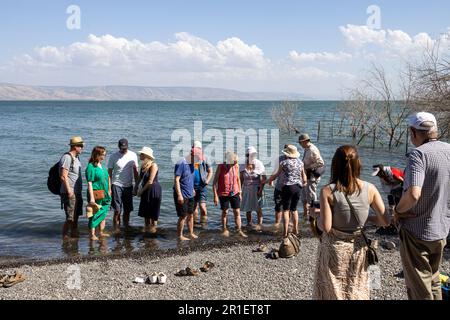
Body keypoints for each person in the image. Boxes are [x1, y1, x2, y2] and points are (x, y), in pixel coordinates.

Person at [313, 145, 387, 300]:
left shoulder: (327, 191)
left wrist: (316, 216)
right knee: (356, 287)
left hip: (335, 248)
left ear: (335, 165)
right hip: (358, 247)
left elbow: (326, 227)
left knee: (333, 290)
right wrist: (367, 219)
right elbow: (385, 220)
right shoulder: (370, 188)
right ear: (357, 164)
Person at [393, 112, 450, 300]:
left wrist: (398, 211)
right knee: (433, 280)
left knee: (418, 288)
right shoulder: (449, 150)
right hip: (441, 229)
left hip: (417, 231)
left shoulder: (418, 155)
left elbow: (413, 193)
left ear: (413, 132)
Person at [266, 145, 307, 238]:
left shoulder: (284, 162)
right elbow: (304, 177)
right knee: (294, 209)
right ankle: (295, 230)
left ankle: (285, 233)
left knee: (285, 210)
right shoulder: (300, 162)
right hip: (298, 187)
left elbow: (276, 174)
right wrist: (304, 183)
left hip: (287, 187)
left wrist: (267, 180)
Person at [213, 151, 247, 238]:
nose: (236, 162)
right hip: (223, 193)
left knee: (237, 211)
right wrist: (215, 196)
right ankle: (224, 229)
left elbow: (238, 179)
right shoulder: (221, 167)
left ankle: (239, 230)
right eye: (234, 161)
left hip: (235, 192)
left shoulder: (236, 166)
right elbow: (214, 182)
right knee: (225, 212)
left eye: (236, 161)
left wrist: (240, 192)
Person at [108, 138, 139, 229]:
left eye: (125, 148)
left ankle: (126, 228)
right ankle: (116, 229)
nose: (124, 149)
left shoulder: (133, 155)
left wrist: (136, 186)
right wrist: (109, 187)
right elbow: (109, 173)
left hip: (128, 186)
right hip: (116, 185)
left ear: (127, 146)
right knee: (117, 210)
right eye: (122, 148)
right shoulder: (113, 156)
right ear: (119, 147)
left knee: (127, 210)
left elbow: (135, 171)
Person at [60, 136, 84, 240]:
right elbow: (63, 176)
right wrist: (69, 190)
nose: (82, 148)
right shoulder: (67, 157)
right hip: (69, 192)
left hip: (77, 191)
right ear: (75, 147)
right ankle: (65, 237)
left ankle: (74, 236)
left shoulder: (77, 158)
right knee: (70, 217)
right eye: (81, 146)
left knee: (76, 215)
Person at [86, 146, 112, 241]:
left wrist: (109, 190)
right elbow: (89, 183)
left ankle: (101, 232)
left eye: (105, 154)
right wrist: (92, 198)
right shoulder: (91, 167)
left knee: (103, 212)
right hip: (96, 193)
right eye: (102, 154)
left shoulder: (101, 165)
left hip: (105, 193)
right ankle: (92, 234)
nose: (104, 156)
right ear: (97, 154)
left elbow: (107, 177)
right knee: (94, 212)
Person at [371, 164, 405, 235]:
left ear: (381, 171)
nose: (378, 176)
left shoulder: (393, 173)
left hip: (400, 188)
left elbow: (403, 182)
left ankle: (399, 222)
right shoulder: (383, 175)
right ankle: (392, 220)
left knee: (398, 206)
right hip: (392, 188)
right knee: (391, 206)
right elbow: (386, 188)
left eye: (378, 174)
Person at [298, 134, 325, 221]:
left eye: (300, 143)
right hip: (306, 176)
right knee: (304, 197)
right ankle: (306, 215)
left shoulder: (312, 149)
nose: (299, 144)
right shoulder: (307, 148)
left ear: (305, 141)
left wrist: (308, 167)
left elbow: (320, 162)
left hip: (312, 177)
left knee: (311, 198)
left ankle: (314, 217)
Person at [174, 147, 198, 241]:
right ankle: (179, 236)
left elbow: (190, 178)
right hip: (182, 194)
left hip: (190, 193)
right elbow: (176, 180)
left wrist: (192, 189)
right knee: (183, 216)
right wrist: (179, 195)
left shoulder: (192, 164)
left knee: (191, 214)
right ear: (191, 155)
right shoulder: (181, 163)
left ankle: (191, 233)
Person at [136, 147, 162, 234]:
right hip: (145, 190)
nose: (140, 155)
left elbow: (150, 181)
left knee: (153, 214)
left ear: (146, 156)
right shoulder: (143, 166)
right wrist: (135, 187)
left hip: (153, 190)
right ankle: (147, 231)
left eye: (142, 154)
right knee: (146, 213)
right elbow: (139, 179)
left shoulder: (153, 165)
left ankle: (153, 232)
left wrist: (141, 191)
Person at [239, 146, 266, 231]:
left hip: (257, 188)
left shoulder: (259, 163)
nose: (250, 156)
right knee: (248, 208)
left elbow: (264, 178)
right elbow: (241, 179)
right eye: (248, 155)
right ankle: (249, 224)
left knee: (258, 208)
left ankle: (259, 225)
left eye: (252, 155)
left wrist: (261, 190)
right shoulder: (242, 165)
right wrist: (240, 191)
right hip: (246, 188)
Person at [192, 141, 213, 225]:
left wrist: (207, 181)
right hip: (192, 186)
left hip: (202, 186)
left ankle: (203, 225)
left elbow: (210, 171)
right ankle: (194, 224)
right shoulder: (189, 158)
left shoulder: (205, 158)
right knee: (194, 207)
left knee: (203, 207)